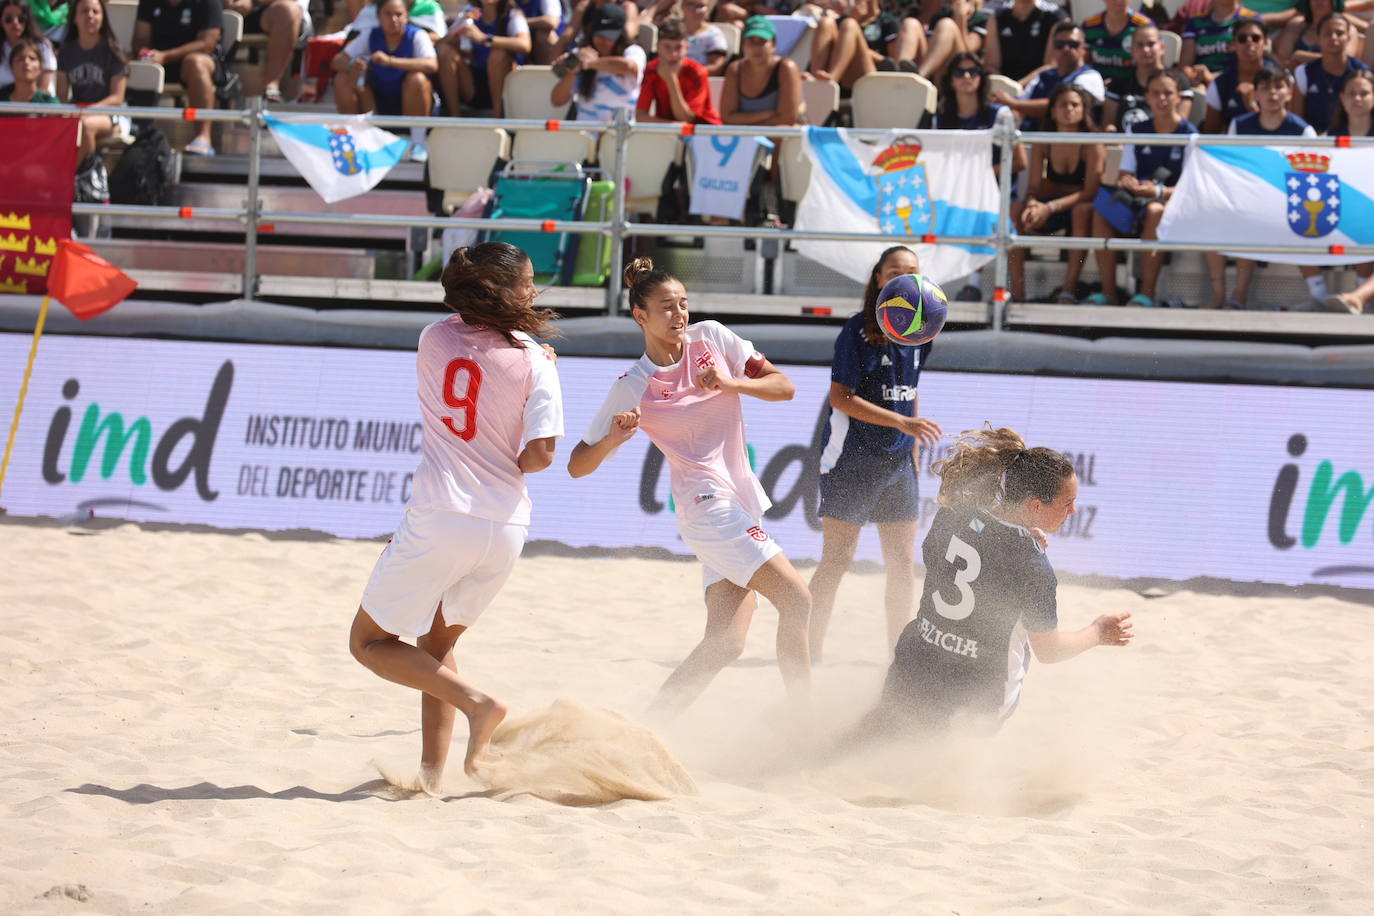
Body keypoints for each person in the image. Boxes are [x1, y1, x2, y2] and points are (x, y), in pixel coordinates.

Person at [348, 241, 564, 793]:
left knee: (368, 645)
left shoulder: (433, 338)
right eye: (527, 283)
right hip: (508, 527)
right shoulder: (537, 359)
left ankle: (480, 704)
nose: (534, 290)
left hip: (444, 513)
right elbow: (540, 457)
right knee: (437, 650)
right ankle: (429, 779)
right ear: (501, 290)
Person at [567, 258, 813, 720]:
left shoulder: (713, 339)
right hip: (707, 508)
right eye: (666, 307)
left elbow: (785, 387)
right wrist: (615, 439)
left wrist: (730, 382)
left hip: (741, 501)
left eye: (683, 304)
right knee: (797, 598)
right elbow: (578, 465)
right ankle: (806, 721)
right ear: (640, 316)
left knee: (726, 642)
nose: (679, 314)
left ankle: (649, 726)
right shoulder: (634, 385)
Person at [844, 426, 1133, 742]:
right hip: (975, 695)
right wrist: (1097, 632)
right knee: (926, 766)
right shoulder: (1032, 565)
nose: (1073, 510)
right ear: (1035, 505)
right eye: (1067, 503)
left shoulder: (955, 512)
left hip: (914, 665)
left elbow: (943, 554)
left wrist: (1010, 536)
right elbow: (1050, 651)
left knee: (869, 742)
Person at [807, 246, 942, 663]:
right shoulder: (858, 332)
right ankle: (806, 646)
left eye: (912, 271)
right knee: (838, 560)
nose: (904, 278)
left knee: (902, 564)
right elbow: (840, 398)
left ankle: (897, 651)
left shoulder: (922, 332)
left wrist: (912, 444)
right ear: (880, 280)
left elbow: (910, 392)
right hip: (851, 459)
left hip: (898, 463)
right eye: (895, 272)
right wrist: (901, 423)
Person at [1086, 67, 1197, 307]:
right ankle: (1109, 293)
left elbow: (1192, 188)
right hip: (1141, 198)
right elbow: (1126, 172)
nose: (1162, 99)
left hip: (1172, 203)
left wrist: (1156, 192)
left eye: (1168, 93)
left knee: (1155, 211)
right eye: (1155, 93)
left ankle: (1146, 293)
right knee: (1102, 211)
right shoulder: (1137, 130)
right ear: (1147, 97)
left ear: (1179, 96)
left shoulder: (1190, 135)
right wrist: (1129, 183)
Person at [1218, 65, 1321, 308]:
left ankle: (1319, 293)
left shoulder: (1304, 131)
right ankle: (1237, 296)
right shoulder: (1239, 125)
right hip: (1250, 198)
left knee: (1305, 218)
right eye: (1265, 88)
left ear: (1289, 93)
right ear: (1255, 95)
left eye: (1278, 87)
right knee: (1239, 217)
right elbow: (1233, 169)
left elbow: (1312, 177)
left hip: (1291, 200)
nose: (1272, 94)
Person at [1010, 84, 1104, 304]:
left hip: (1076, 209)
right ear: (1052, 111)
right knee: (1016, 210)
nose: (1069, 109)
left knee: (1081, 212)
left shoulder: (1093, 143)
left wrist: (1050, 207)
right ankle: (1018, 290)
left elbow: (1090, 192)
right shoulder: (1044, 140)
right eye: (1063, 104)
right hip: (1050, 209)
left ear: (1083, 110)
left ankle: (1068, 290)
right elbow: (1033, 187)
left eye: (1075, 104)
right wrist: (1033, 204)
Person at [332, 0, 437, 162]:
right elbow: (338, 61)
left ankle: (418, 143)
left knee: (417, 79)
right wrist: (353, 65)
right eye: (388, 14)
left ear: (406, 16)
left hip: (410, 105)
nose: (393, 19)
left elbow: (431, 64)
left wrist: (390, 61)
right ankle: (353, 140)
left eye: (398, 14)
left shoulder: (417, 35)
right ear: (378, 16)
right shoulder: (370, 35)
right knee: (342, 78)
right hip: (376, 104)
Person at [133, 0, 222, 156]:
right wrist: (144, 53)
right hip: (157, 63)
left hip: (197, 63)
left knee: (195, 63)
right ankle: (131, 134)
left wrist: (166, 56)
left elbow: (207, 43)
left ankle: (203, 136)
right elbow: (140, 39)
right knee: (121, 62)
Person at [990, 22, 1105, 128]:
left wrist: (1012, 102)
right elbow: (1020, 106)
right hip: (1033, 141)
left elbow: (1058, 108)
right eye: (1059, 44)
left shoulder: (1090, 76)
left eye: (1072, 44)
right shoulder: (1043, 76)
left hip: (1068, 143)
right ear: (1053, 48)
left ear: (1084, 49)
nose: (1066, 49)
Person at [57, 0, 127, 163]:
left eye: (96, 12)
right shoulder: (66, 51)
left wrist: (88, 111)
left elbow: (117, 98)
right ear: (74, 18)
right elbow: (61, 96)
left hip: (113, 116)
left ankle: (75, 178)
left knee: (85, 126)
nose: (90, 16)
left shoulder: (114, 51)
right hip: (78, 111)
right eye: (84, 11)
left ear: (103, 18)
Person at [435, 0, 532, 117]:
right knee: (445, 52)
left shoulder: (512, 14)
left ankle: (497, 119)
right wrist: (460, 27)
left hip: (506, 83)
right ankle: (454, 117)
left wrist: (484, 39)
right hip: (474, 82)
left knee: (497, 55)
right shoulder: (471, 14)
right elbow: (440, 46)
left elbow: (525, 44)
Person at [550, 3, 645, 122]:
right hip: (585, 133)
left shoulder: (634, 51)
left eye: (609, 37)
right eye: (599, 35)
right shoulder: (580, 54)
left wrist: (590, 63)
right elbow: (557, 101)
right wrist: (571, 71)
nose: (603, 41)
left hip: (619, 132)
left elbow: (629, 67)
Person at [1292, 12, 1370, 131]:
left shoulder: (1362, 73)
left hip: (1351, 141)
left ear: (1348, 37)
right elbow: (1297, 119)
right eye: (1327, 33)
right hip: (1314, 143)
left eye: (1340, 33)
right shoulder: (1304, 72)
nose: (1334, 38)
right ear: (1318, 38)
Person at [636, 16, 721, 123]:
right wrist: (670, 126)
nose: (673, 54)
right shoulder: (651, 70)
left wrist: (671, 80)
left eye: (678, 47)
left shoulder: (697, 72)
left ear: (687, 47)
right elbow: (640, 116)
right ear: (657, 47)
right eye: (667, 46)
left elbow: (687, 119)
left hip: (705, 131)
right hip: (670, 132)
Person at [222, 0, 309, 104]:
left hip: (263, 12)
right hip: (216, 11)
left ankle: (271, 84)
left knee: (286, 11)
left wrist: (253, 2)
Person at [720, 15, 800, 127]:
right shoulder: (734, 70)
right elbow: (727, 118)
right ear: (743, 45)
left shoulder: (786, 69)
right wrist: (766, 114)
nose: (756, 48)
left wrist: (748, 126)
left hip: (778, 139)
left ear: (773, 44)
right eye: (751, 41)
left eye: (762, 41)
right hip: (745, 137)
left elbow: (787, 119)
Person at [1103, 21, 1184, 131]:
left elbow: (1181, 125)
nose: (1145, 50)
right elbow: (1108, 123)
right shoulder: (1118, 83)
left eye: (1151, 44)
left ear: (1162, 47)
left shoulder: (1179, 81)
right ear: (1131, 49)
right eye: (1140, 45)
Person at [1202, 16, 1273, 132]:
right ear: (1233, 44)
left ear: (1265, 43)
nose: (1249, 42)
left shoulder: (1281, 79)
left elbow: (1286, 123)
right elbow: (1211, 132)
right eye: (1242, 38)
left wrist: (1251, 106)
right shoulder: (1221, 84)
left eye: (1255, 38)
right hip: (1232, 148)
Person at [1179, 0, 1262, 87]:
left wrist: (1213, 78)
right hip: (1201, 85)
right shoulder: (1195, 22)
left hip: (1237, 84)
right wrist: (1194, 76)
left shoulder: (1252, 19)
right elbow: (1185, 66)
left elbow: (1253, 65)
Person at [981, 0, 1069, 82]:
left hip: (1040, 89)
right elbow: (991, 65)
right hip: (1004, 89)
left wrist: (1018, 87)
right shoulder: (997, 16)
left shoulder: (1057, 17)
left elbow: (1051, 66)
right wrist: (1002, 88)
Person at [1080, 0, 1154, 88]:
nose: (1118, 1)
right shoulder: (1089, 25)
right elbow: (1083, 60)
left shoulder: (1144, 25)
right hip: (1098, 87)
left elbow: (1154, 61)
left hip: (1133, 87)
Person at [1275, 0, 1363, 70]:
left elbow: (1345, 60)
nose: (1319, 1)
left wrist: (1302, 56)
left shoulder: (1347, 29)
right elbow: (1284, 60)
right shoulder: (1296, 26)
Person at [1, 0, 56, 94]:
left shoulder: (42, 46)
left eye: (21, 19)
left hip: (38, 105)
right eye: (8, 19)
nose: (15, 23)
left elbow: (44, 88)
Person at [0, 35, 58, 101]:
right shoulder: (2, 100)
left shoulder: (50, 103)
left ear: (41, 67)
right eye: (21, 59)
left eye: (32, 59)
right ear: (11, 66)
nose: (26, 62)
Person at [682, 0, 728, 76]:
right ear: (682, 6)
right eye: (691, 4)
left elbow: (716, 66)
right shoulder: (672, 30)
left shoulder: (714, 34)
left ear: (708, 9)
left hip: (700, 81)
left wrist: (690, 75)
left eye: (700, 6)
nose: (695, 10)